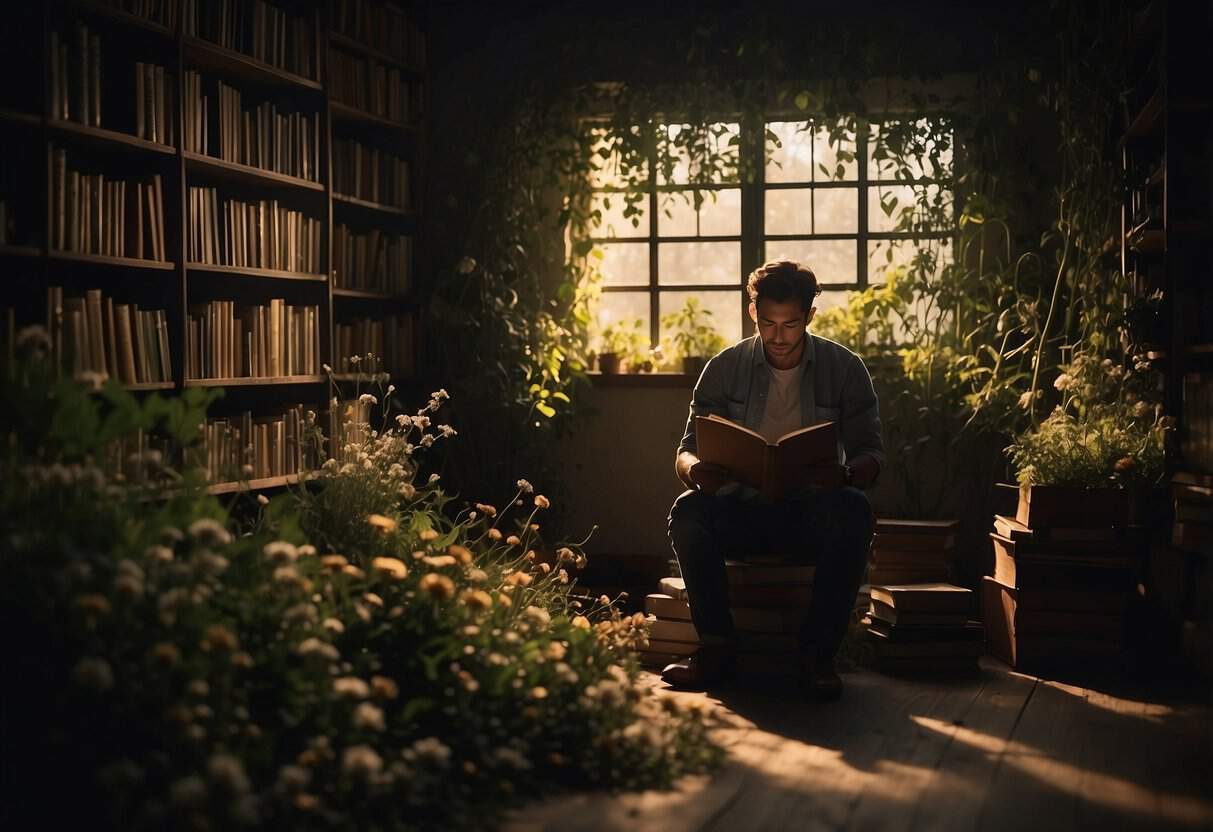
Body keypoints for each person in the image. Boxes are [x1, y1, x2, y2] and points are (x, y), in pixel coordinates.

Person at [663, 259, 885, 700]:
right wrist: (695, 471)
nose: (778, 336)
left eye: (790, 324)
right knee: (688, 512)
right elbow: (686, 450)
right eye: (767, 323)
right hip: (739, 512)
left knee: (855, 510)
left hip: (809, 517)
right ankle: (717, 648)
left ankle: (817, 657)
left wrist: (844, 474)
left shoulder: (844, 368)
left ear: (810, 316)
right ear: (753, 313)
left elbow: (872, 455)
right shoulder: (724, 367)